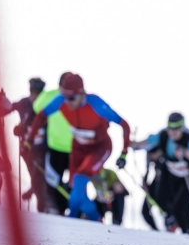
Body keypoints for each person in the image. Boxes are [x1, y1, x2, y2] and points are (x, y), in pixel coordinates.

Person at [28, 73, 130, 222]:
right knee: (75, 188)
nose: (67, 102)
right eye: (64, 97)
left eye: (71, 98)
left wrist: (124, 153)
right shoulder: (61, 100)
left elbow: (124, 125)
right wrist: (29, 139)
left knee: (80, 179)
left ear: (82, 94)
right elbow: (41, 116)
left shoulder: (95, 104)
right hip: (78, 149)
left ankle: (73, 220)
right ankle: (95, 220)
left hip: (99, 148)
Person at [131, 113, 189, 234]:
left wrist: (185, 152)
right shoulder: (163, 135)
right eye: (170, 129)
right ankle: (179, 227)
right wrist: (133, 144)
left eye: (176, 129)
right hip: (173, 174)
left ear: (182, 128)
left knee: (182, 205)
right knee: (164, 199)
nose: (173, 132)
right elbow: (147, 142)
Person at [33, 72, 74, 214]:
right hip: (57, 148)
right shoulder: (52, 96)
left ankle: (68, 210)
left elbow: (37, 108)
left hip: (74, 148)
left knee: (70, 183)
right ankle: (61, 210)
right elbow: (37, 109)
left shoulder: (51, 95)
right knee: (55, 182)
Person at [8, 78, 49, 212]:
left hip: (43, 149)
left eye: (38, 93)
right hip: (27, 150)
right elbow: (5, 109)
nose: (34, 96)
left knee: (39, 179)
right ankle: (41, 205)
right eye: (32, 92)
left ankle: (42, 209)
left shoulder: (47, 106)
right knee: (35, 179)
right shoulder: (23, 103)